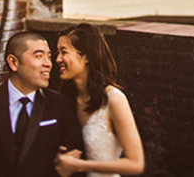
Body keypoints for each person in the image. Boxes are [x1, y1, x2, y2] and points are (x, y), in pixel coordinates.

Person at [0, 31, 84, 177]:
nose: (48, 64)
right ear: (14, 62)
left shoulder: (61, 105)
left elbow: (75, 159)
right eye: (39, 56)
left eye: (49, 56)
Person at [54, 23, 144, 177]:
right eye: (58, 53)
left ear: (86, 56)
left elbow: (136, 164)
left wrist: (80, 165)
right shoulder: (65, 99)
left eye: (64, 52)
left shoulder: (114, 100)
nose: (58, 59)